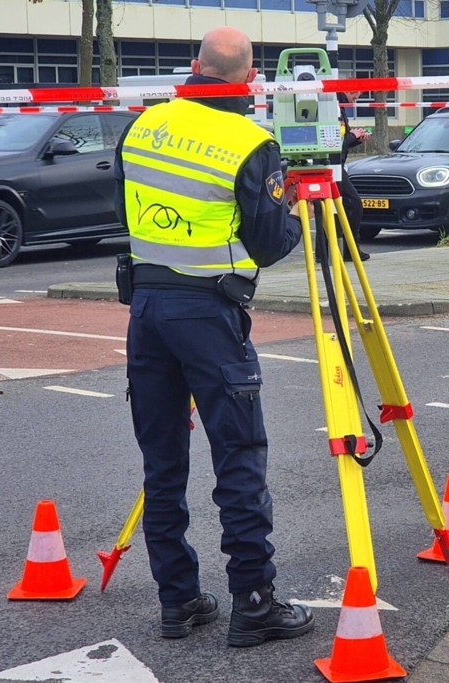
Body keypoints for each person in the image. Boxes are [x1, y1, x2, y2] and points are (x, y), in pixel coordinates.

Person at [114, 26, 314, 647]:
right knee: (238, 459)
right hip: (209, 314)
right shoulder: (253, 142)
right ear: (250, 80)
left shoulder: (142, 126)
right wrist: (297, 215)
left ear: (194, 65)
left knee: (163, 462)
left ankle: (179, 602)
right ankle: (253, 604)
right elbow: (267, 242)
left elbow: (122, 208)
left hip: (146, 309)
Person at [338, 90, 371, 261]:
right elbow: (335, 142)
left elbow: (342, 142)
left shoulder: (339, 107)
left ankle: (325, 253)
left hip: (337, 164)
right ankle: (351, 250)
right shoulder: (334, 107)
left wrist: (357, 139)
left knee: (333, 209)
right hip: (333, 166)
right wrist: (353, 135)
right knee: (354, 204)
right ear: (349, 91)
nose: (354, 102)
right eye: (354, 97)